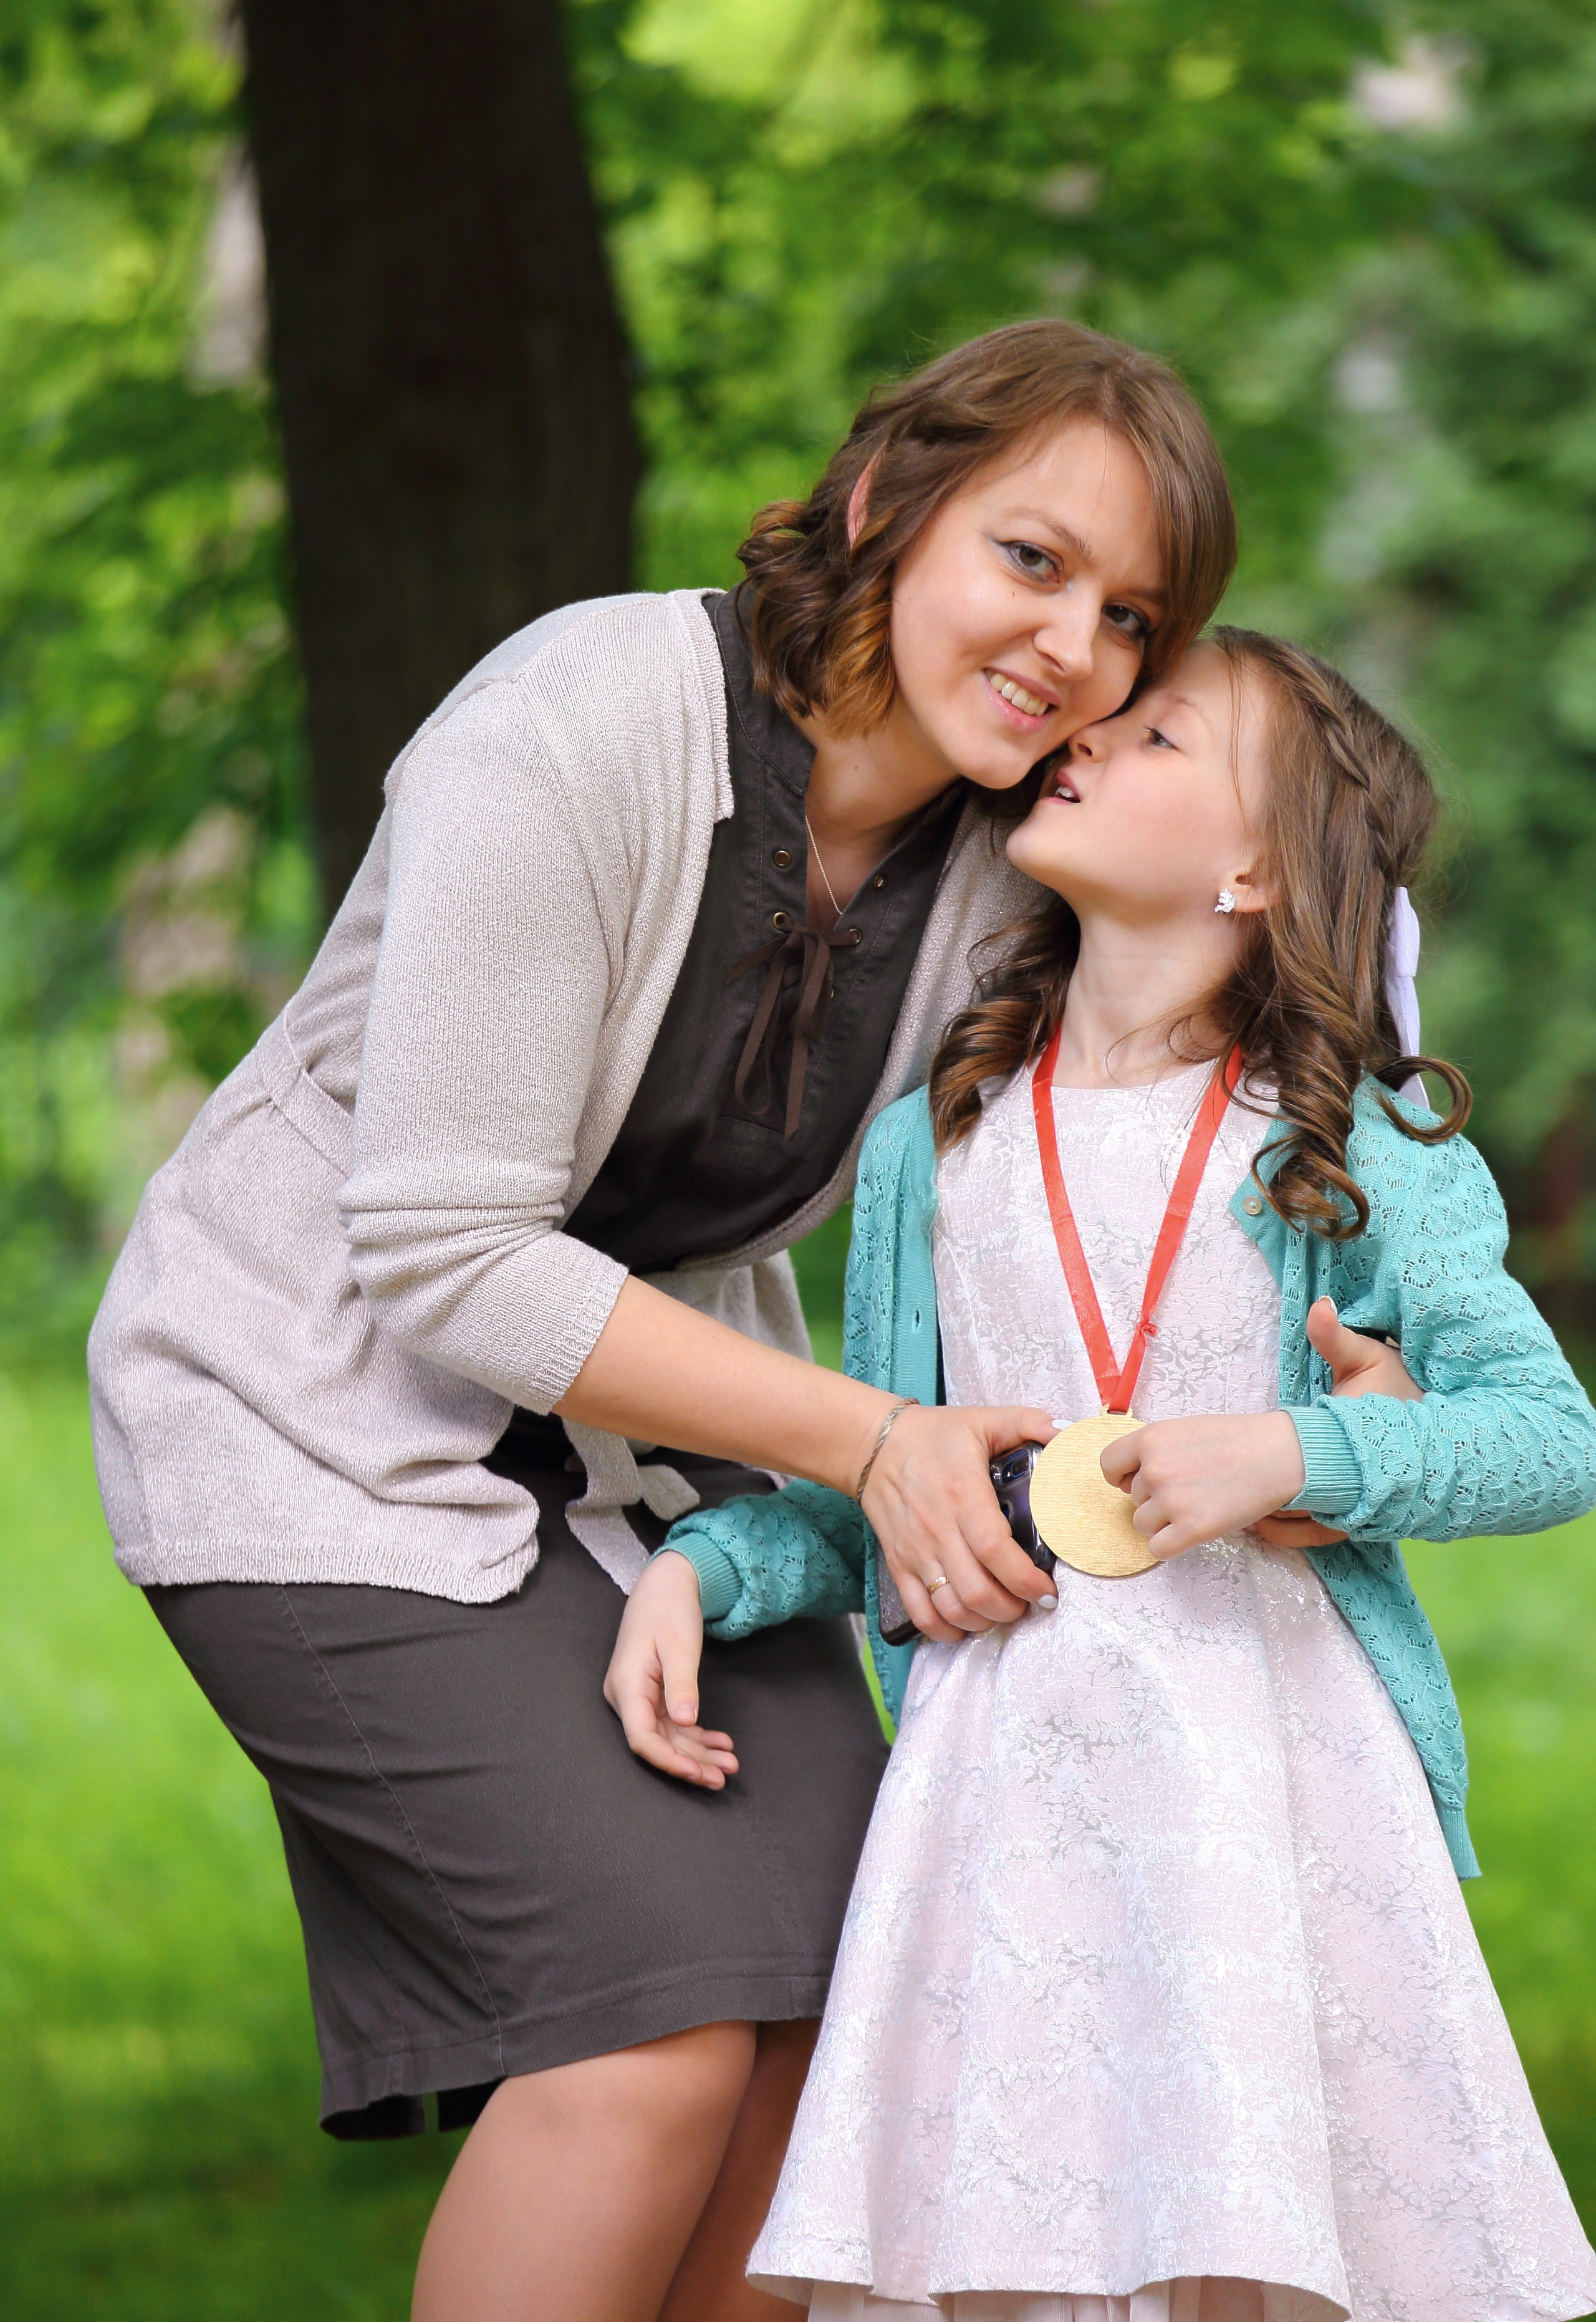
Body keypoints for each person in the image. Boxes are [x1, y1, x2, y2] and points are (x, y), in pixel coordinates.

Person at [87, 320, 1249, 2322]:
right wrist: (869, 1442)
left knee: (837, 2041)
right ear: (886, 503)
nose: (1076, 647)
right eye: (1034, 559)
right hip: (305, 1423)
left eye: (1132, 616)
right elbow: (446, 1250)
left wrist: (1376, 1310)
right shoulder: (579, 718)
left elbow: (1238, 1014)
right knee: (646, 2041)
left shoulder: (1004, 863)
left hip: (671, 1484)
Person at [613, 629, 1596, 2320]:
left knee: (1245, 2231)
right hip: (999, 1802)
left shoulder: (1362, 1141)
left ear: (1254, 868)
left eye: (1160, 739)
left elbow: (1545, 1433)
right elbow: (898, 1486)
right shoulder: (938, 1141)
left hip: (1265, 1799)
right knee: (1020, 2249)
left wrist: (1307, 1448)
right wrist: (711, 1568)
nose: (1087, 741)